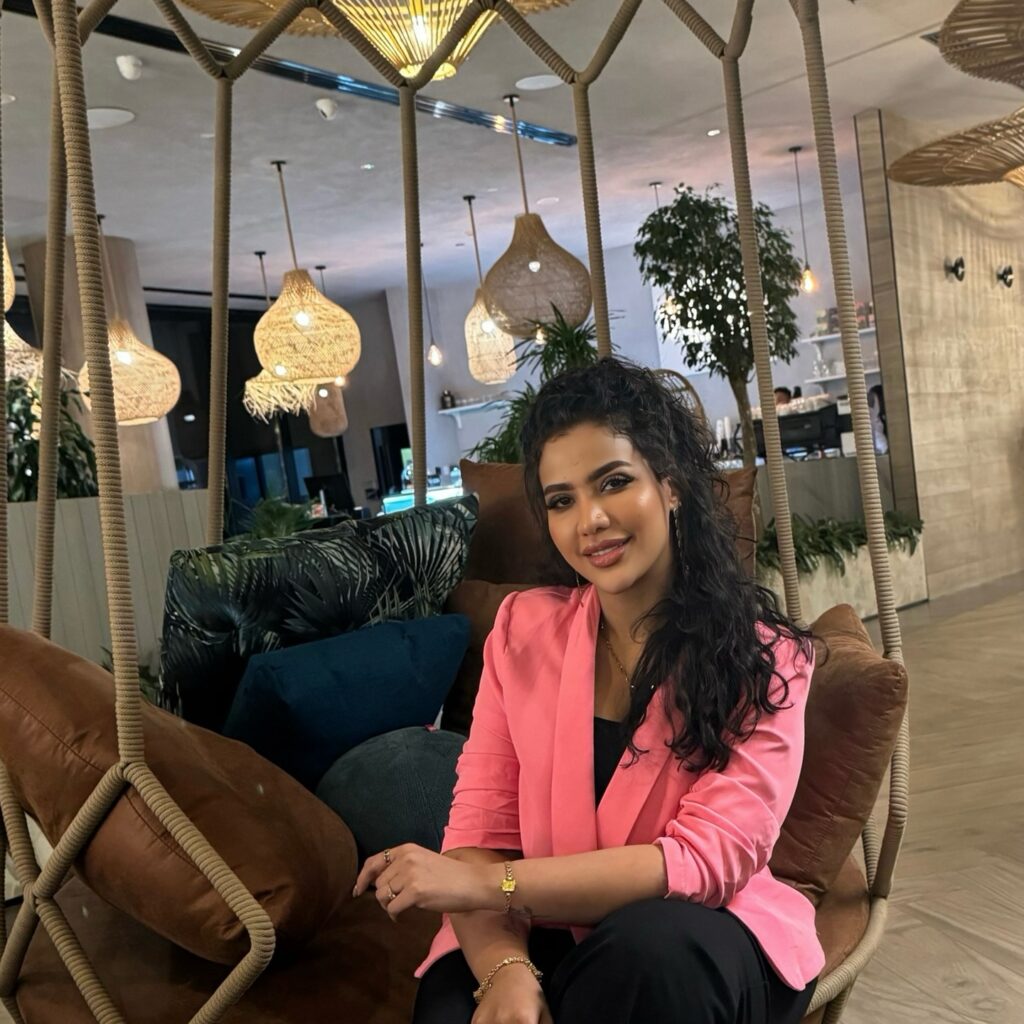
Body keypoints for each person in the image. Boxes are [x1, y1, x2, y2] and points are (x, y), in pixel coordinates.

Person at [353, 358, 824, 1024]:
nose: (590, 519)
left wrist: (490, 883)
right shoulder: (522, 631)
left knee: (648, 958)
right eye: (561, 500)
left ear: (671, 484)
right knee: (454, 1006)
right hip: (541, 921)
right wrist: (506, 972)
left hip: (701, 932)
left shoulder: (765, 657)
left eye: (614, 482)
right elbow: (481, 831)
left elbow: (703, 861)